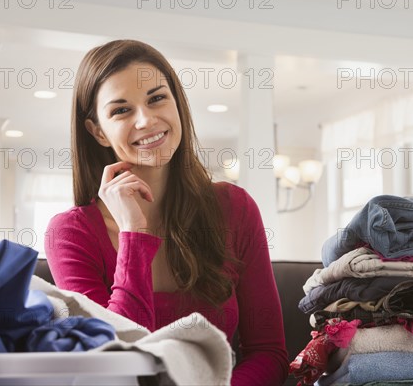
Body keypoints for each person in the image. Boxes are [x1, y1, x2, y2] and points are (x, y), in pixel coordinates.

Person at [45, 39, 289, 385]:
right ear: (97, 131)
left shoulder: (235, 209)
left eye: (157, 98)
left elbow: (268, 353)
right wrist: (134, 233)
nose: (146, 120)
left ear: (177, 103)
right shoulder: (70, 233)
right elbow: (111, 362)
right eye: (121, 110)